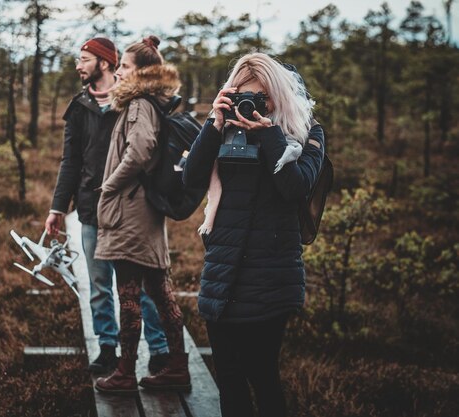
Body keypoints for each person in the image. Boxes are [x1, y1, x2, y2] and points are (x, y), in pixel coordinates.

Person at [183, 53, 325, 417]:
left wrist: (269, 135)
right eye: (243, 95)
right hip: (223, 272)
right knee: (229, 378)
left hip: (270, 277)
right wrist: (214, 123)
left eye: (260, 97)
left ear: (278, 95)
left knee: (262, 375)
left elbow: (294, 187)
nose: (251, 105)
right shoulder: (225, 128)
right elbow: (191, 178)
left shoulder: (306, 134)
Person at [44, 37, 170, 376]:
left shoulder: (131, 100)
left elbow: (146, 149)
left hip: (130, 209)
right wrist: (58, 208)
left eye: (84, 59)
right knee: (99, 286)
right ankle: (107, 348)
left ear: (105, 62)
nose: (78, 65)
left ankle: (159, 349)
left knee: (139, 285)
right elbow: (70, 162)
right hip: (89, 209)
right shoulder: (79, 107)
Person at [93, 36, 191, 395]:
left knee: (129, 294)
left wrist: (109, 186)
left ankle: (124, 373)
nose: (118, 72)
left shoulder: (138, 105)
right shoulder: (148, 103)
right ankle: (178, 366)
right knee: (160, 291)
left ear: (142, 72)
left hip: (130, 212)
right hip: (142, 211)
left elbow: (139, 151)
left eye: (124, 67)